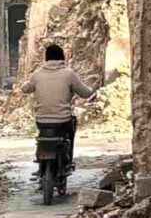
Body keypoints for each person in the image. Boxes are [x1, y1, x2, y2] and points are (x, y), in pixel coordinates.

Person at [20, 40, 97, 195]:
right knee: (70, 132)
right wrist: (93, 93)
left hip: (42, 121)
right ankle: (67, 160)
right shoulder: (68, 74)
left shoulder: (37, 74)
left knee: (41, 136)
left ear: (46, 58)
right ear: (62, 57)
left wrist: (26, 86)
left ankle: (41, 162)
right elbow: (83, 91)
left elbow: (26, 88)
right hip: (62, 120)